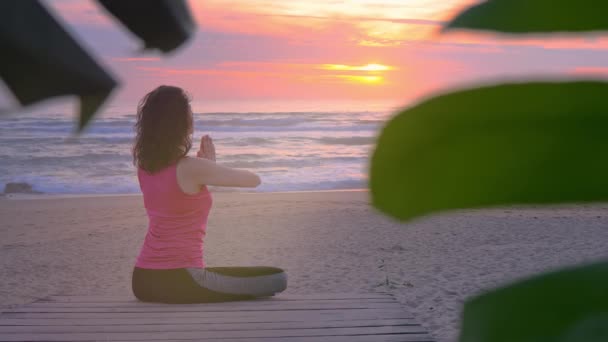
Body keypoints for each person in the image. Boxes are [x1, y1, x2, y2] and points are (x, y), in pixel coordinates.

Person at [131, 85, 287, 303]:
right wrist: (210, 167)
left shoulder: (145, 168)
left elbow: (177, 197)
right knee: (277, 278)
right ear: (182, 123)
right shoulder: (192, 167)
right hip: (182, 280)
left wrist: (208, 169)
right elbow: (253, 180)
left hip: (142, 279)